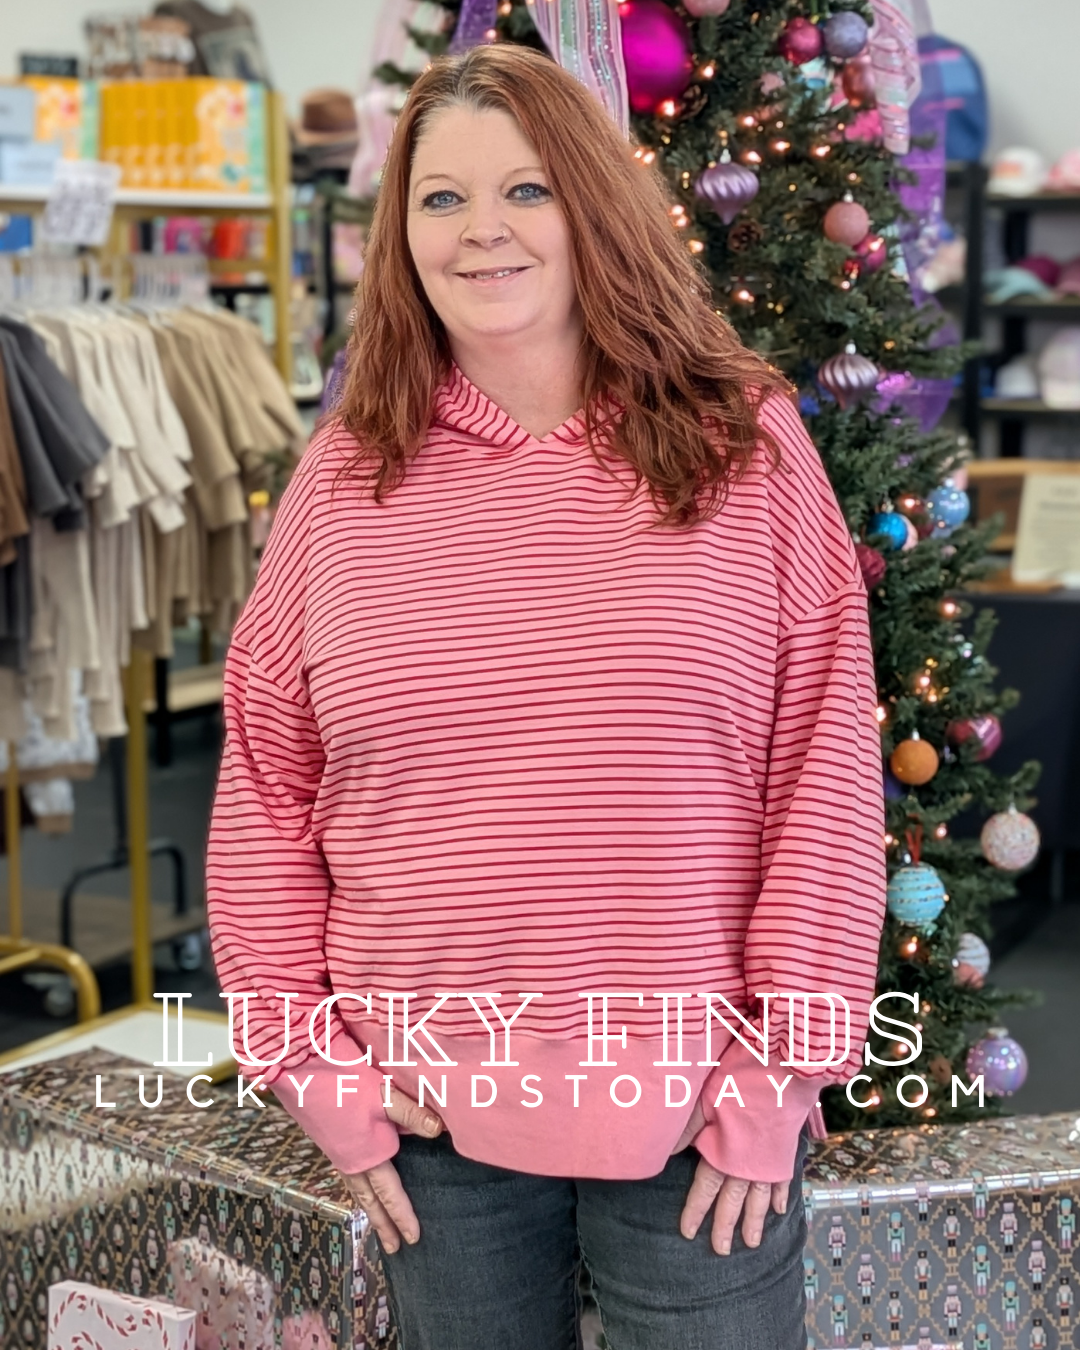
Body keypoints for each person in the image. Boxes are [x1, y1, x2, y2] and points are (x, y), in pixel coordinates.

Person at [205, 43, 886, 1350]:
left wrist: (782, 1070)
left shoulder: (743, 440)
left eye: (526, 189)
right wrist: (310, 1066)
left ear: (593, 206)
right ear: (400, 233)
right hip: (426, 1118)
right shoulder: (343, 477)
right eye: (441, 197)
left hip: (702, 1107)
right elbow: (267, 794)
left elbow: (824, 779)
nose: (482, 230)